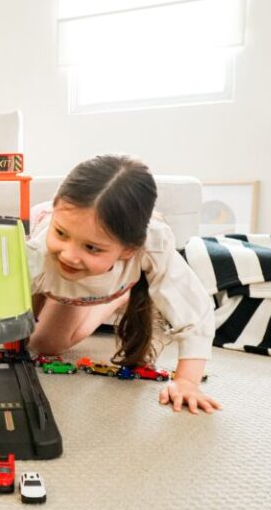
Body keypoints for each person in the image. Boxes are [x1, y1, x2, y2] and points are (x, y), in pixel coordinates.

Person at [26, 154, 220, 414]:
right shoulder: (38, 250)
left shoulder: (153, 245)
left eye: (91, 247)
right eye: (61, 233)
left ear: (128, 250)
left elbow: (195, 312)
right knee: (38, 343)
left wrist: (186, 381)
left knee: (49, 343)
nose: (69, 255)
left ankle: (118, 295)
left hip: (109, 276)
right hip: (50, 279)